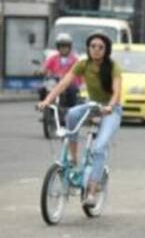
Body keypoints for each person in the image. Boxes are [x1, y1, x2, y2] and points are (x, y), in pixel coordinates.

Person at [37, 32, 124, 207]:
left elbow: (117, 91)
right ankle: (73, 157)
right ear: (88, 48)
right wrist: (47, 100)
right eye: (93, 46)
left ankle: (92, 191)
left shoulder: (113, 66)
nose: (96, 50)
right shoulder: (83, 64)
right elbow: (64, 83)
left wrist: (109, 106)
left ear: (106, 50)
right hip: (92, 105)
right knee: (71, 114)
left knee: (99, 148)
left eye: (100, 47)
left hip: (111, 110)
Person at [41, 33, 81, 111]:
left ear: (69, 47)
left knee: (72, 91)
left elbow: (78, 73)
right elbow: (45, 68)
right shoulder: (53, 58)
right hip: (55, 82)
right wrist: (42, 72)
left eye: (66, 46)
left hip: (69, 84)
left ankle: (70, 110)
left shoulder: (74, 59)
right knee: (43, 88)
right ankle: (45, 107)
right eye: (61, 46)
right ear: (58, 47)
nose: (64, 48)